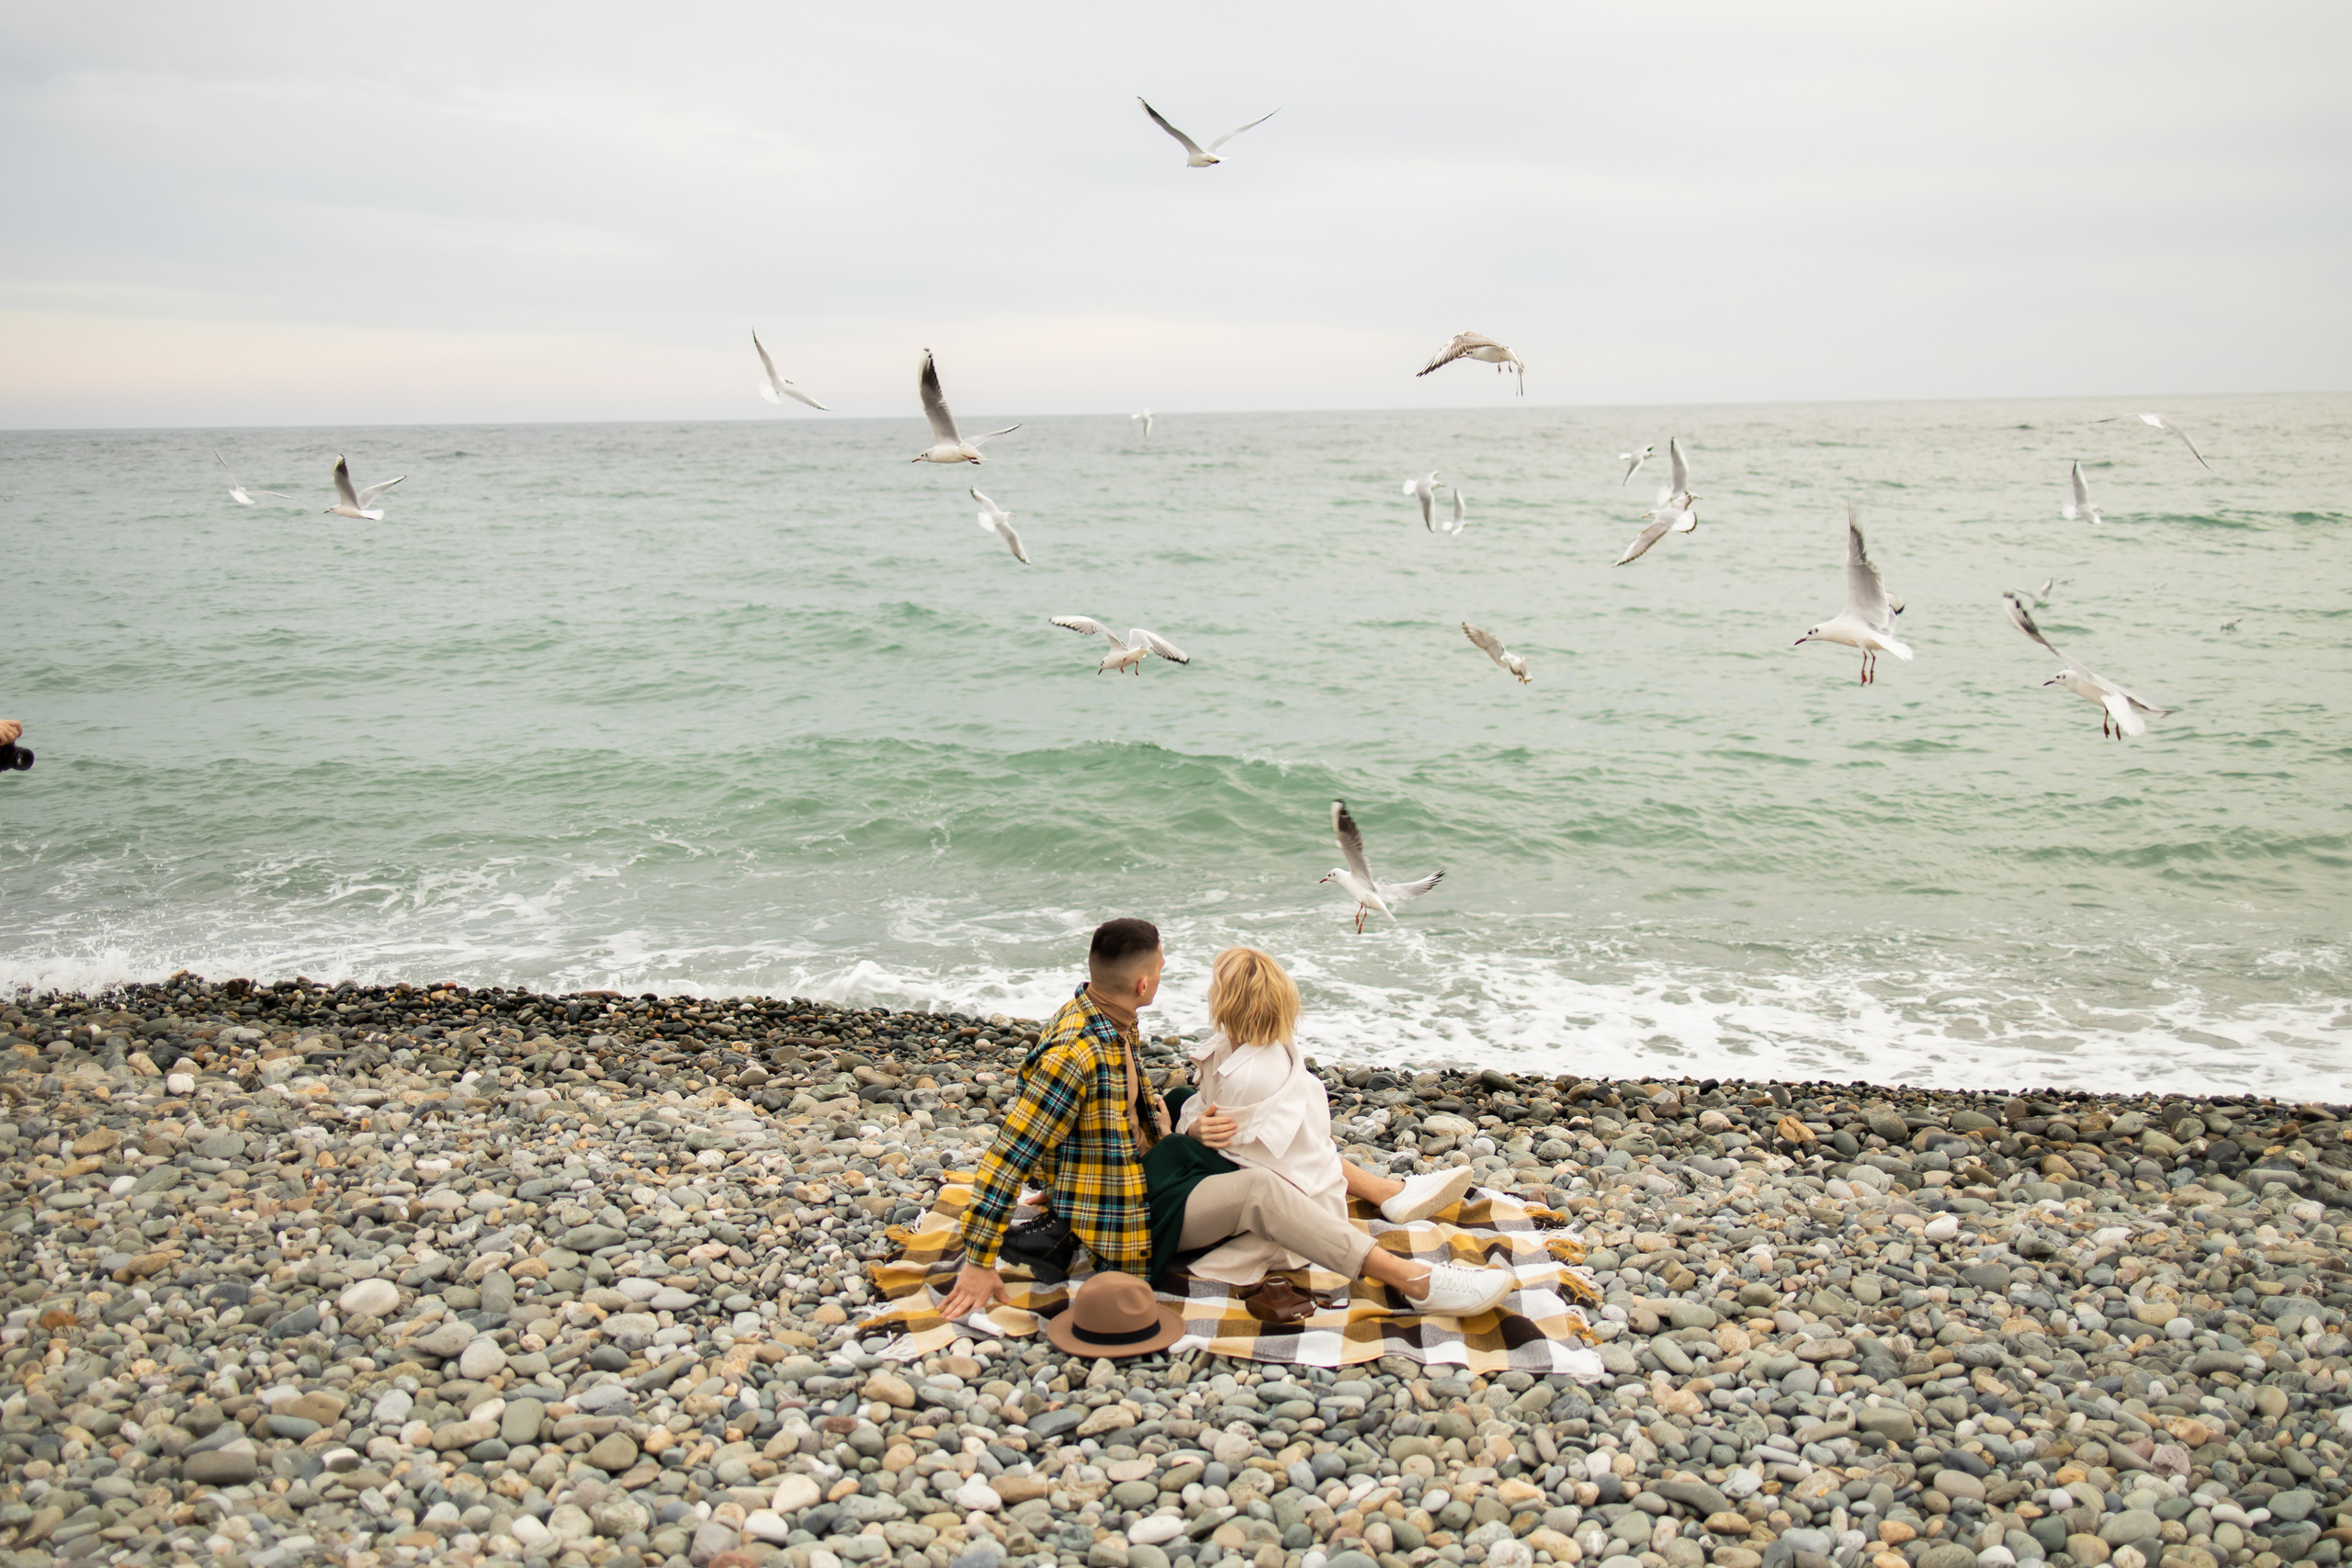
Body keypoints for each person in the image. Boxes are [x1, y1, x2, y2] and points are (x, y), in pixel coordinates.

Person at [939, 922, 1514, 1320]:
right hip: (1127, 1219)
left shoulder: (1097, 1013)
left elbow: (1073, 1125)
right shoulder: (1078, 1053)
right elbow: (1008, 1153)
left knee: (1193, 1101)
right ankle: (1414, 1283)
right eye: (1161, 971)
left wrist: (1072, 1178)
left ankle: (1382, 1193)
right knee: (1261, 1188)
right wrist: (979, 1260)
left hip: (1133, 1175)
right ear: (1143, 984)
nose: (1165, 978)